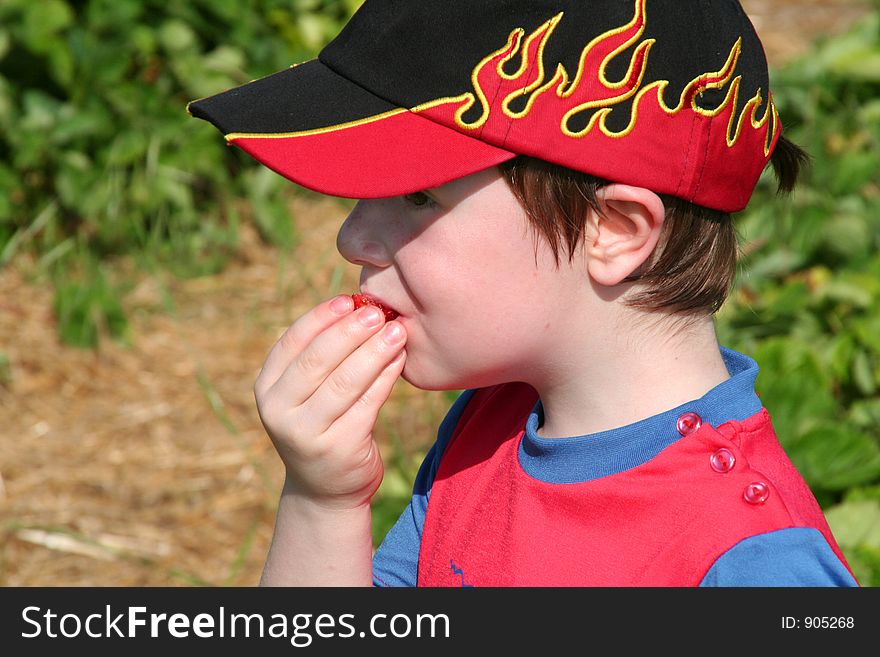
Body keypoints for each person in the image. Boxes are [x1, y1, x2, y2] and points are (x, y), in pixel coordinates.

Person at [188, 0, 859, 586]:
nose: (351, 235)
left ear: (615, 231)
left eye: (418, 194)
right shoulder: (488, 430)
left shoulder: (752, 563)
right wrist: (322, 501)